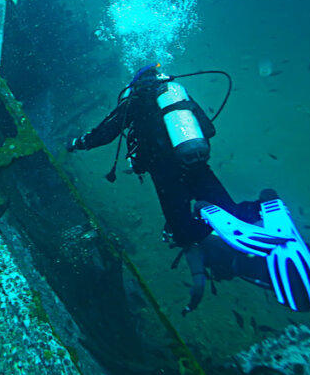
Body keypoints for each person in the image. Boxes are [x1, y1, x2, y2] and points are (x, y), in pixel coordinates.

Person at [68, 63, 265, 313]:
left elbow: (105, 134)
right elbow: (209, 130)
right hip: (196, 164)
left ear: (136, 83)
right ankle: (264, 208)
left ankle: (213, 240)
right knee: (232, 214)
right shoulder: (177, 96)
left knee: (182, 233)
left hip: (166, 173)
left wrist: (77, 143)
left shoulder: (135, 100)